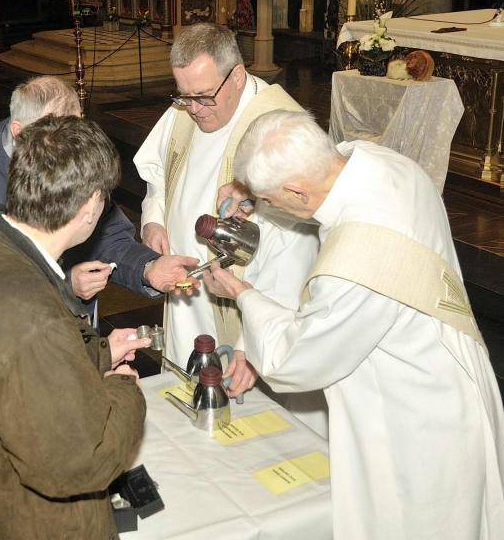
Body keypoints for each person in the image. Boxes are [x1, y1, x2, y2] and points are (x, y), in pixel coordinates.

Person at [204, 110, 504, 539]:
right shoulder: (380, 163)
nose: (267, 208)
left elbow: (298, 356)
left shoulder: (356, 260)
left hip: (416, 415)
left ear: (295, 189)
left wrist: (242, 294)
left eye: (270, 200)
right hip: (453, 365)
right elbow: (320, 202)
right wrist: (259, 197)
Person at [0, 115, 147, 538]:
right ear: (90, 206)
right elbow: (77, 462)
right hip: (15, 519)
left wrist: (100, 352)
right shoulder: (31, 315)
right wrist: (125, 390)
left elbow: (2, 372)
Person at [133, 23, 320, 403]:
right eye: (184, 96)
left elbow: (296, 245)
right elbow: (158, 174)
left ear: (236, 76)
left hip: (247, 294)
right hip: (185, 288)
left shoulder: (281, 125)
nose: (193, 109)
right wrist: (153, 217)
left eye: (203, 97)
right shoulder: (187, 106)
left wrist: (255, 339)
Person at [0, 75, 198, 312]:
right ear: (19, 132)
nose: (71, 148)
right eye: (56, 133)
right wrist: (63, 285)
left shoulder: (73, 157)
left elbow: (108, 236)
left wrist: (147, 267)